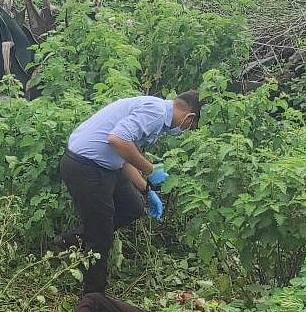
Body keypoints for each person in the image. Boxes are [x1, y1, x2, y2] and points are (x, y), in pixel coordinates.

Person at [56, 90, 201, 295]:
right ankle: (94, 297)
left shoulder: (156, 112)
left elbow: (123, 154)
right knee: (101, 235)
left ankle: (72, 241)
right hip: (86, 167)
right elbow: (117, 140)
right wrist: (151, 169)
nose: (184, 130)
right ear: (189, 117)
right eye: (189, 128)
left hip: (106, 166)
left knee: (132, 206)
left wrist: (146, 188)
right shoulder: (157, 113)